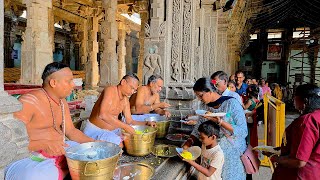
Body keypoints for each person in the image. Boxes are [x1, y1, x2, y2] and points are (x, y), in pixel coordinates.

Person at [5, 62, 95, 180]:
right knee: (36, 176)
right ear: (53, 83)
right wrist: (43, 144)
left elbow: (71, 131)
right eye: (69, 81)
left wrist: (95, 143)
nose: (73, 85)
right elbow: (10, 141)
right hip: (30, 157)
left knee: (91, 155)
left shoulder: (62, 102)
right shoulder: (29, 101)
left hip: (59, 151)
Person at [182, 78, 247, 180]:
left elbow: (243, 131)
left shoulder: (231, 104)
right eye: (198, 96)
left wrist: (220, 122)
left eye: (201, 95)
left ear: (210, 91)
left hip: (230, 155)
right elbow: (198, 127)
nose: (200, 99)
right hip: (210, 155)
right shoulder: (205, 106)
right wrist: (188, 143)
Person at [82, 73, 156, 147]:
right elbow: (103, 115)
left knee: (132, 141)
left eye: (134, 90)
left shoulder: (125, 100)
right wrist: (125, 126)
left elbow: (129, 121)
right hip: (96, 131)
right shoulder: (110, 90)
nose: (132, 92)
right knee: (120, 145)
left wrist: (146, 123)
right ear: (123, 82)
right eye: (131, 88)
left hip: (114, 131)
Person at [263, 84, 320, 180]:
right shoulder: (317, 116)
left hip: (299, 175)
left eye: (295, 98)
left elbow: (299, 161)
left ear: (305, 100)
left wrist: (275, 158)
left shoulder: (308, 121)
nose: (293, 101)